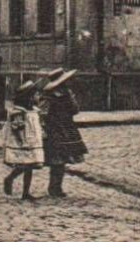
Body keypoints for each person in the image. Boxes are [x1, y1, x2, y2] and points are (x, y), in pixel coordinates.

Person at [39, 68, 88, 197]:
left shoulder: (67, 93)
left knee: (63, 159)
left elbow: (75, 110)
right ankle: (54, 188)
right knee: (57, 159)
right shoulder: (48, 96)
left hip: (66, 128)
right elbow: (42, 113)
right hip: (54, 129)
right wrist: (43, 128)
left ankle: (56, 187)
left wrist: (71, 98)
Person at [0, 80, 43, 199]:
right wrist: (22, 141)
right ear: (29, 97)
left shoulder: (32, 110)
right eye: (36, 95)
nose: (38, 97)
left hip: (31, 141)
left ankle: (26, 192)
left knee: (30, 166)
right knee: (24, 165)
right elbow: (17, 128)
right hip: (22, 142)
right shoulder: (18, 111)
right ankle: (9, 179)